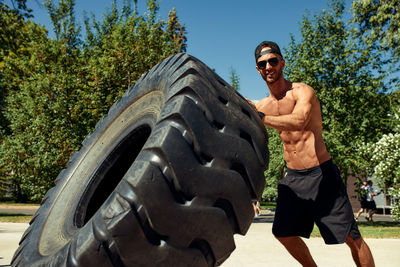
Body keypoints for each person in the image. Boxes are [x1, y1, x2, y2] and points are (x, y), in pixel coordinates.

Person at [247, 41, 375, 267]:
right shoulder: (263, 106)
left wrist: (260, 118)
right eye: (262, 63)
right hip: (294, 178)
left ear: (282, 63)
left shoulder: (302, 91)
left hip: (321, 173)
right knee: (283, 233)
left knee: (351, 238)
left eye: (273, 61)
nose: (268, 66)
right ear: (258, 69)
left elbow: (300, 121)